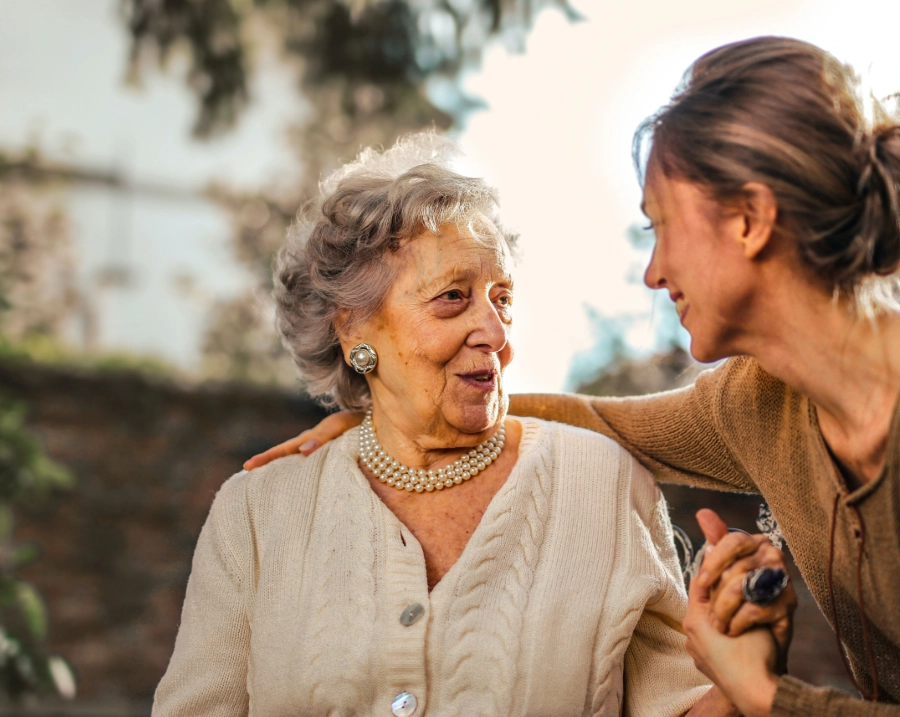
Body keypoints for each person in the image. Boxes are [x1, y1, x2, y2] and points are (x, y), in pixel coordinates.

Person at [248, 37, 900, 717]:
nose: (653, 271)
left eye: (663, 227)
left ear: (750, 220)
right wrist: (395, 419)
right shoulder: (767, 400)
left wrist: (762, 691)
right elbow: (603, 422)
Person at [152, 133, 755, 717]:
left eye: (503, 299)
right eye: (452, 298)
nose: (494, 333)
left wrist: (740, 681)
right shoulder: (257, 513)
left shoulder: (604, 484)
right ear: (353, 328)